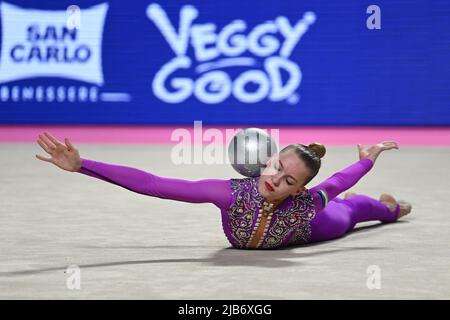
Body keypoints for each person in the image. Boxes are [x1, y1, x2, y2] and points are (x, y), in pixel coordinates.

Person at [36, 132, 411, 250]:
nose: (276, 180)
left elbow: (340, 181)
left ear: (301, 188)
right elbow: (154, 185)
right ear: (267, 161)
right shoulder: (231, 194)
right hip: (302, 218)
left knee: (355, 209)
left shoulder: (310, 202)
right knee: (348, 201)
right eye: (276, 167)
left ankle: (391, 209)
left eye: (289, 181)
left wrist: (368, 159)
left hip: (318, 227)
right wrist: (83, 165)